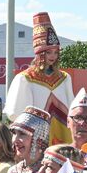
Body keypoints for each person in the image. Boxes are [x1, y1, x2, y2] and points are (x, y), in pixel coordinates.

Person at [5, 11, 74, 144]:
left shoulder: (64, 78)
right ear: (39, 53)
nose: (53, 56)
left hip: (64, 136)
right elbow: (17, 113)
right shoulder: (25, 79)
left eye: (55, 52)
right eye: (48, 52)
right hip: (36, 138)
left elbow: (72, 109)